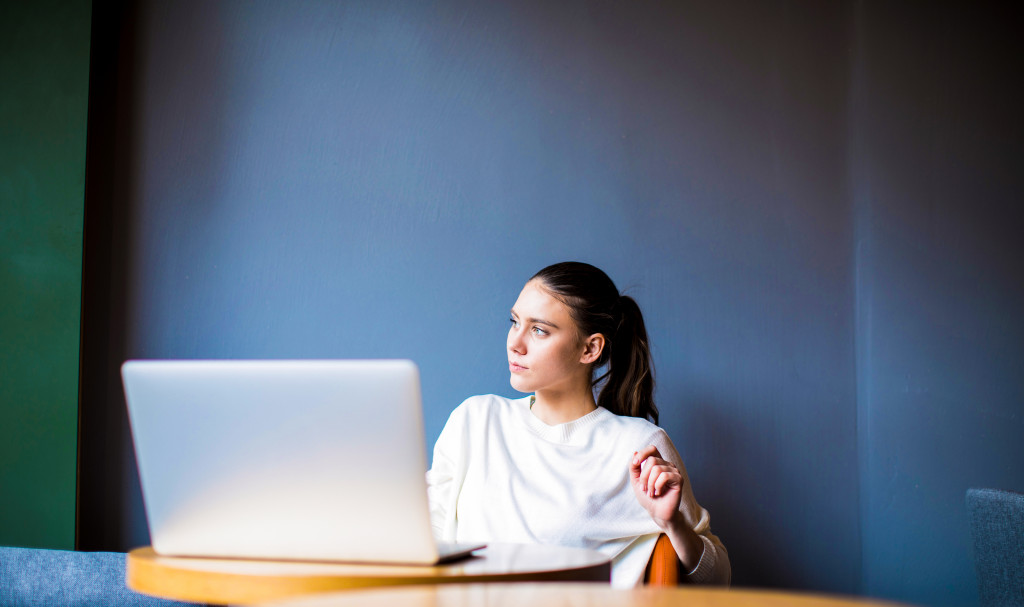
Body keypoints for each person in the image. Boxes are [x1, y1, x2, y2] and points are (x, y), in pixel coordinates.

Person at [426, 262, 730, 587]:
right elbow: (423, 540)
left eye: (539, 330)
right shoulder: (475, 420)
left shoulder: (638, 447)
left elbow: (718, 581)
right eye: (514, 322)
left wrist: (673, 524)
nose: (515, 342)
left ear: (590, 348)